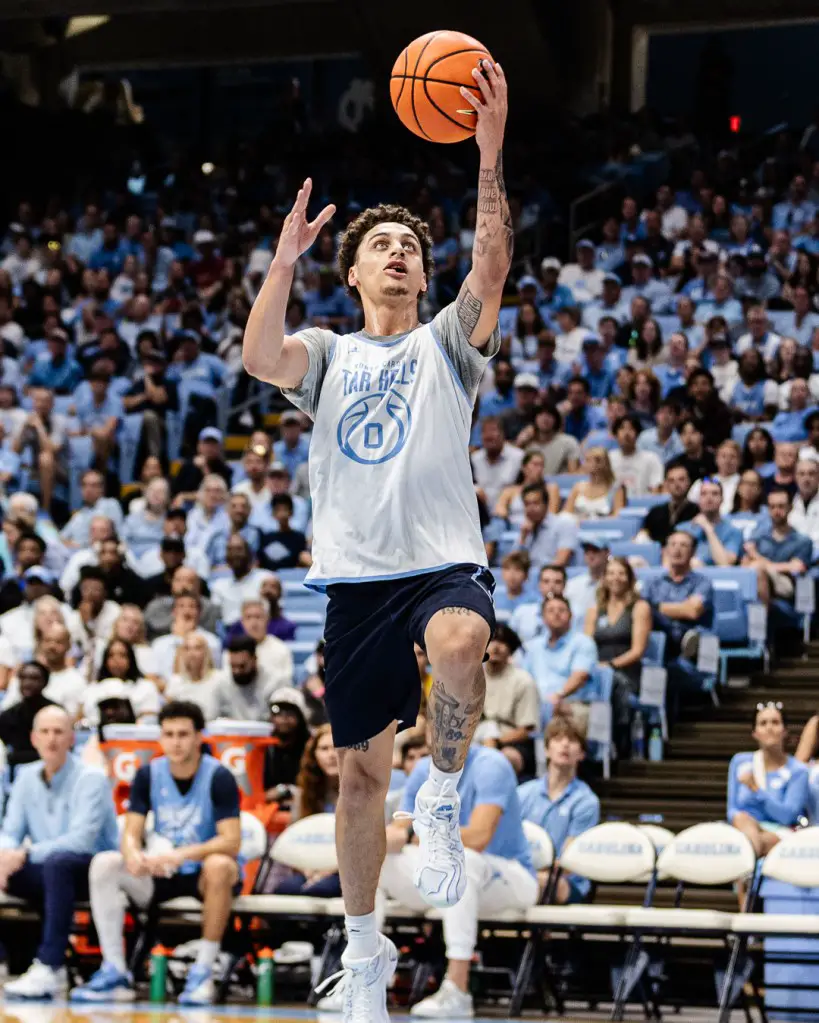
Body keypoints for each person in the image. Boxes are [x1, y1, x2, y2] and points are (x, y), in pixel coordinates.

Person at [243, 63, 510, 1021]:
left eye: (408, 247)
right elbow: (259, 357)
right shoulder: (327, 352)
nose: (397, 253)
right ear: (352, 273)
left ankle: (440, 792)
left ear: (422, 275)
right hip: (355, 582)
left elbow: (490, 267)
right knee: (358, 777)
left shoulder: (448, 342)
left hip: (441, 562)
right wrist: (282, 261)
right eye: (380, 246)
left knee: (461, 640)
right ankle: (363, 953)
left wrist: (487, 152)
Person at [71, 701, 242, 1005]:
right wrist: (133, 855)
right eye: (169, 734)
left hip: (202, 875)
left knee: (219, 865)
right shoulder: (148, 774)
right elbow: (131, 833)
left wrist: (182, 855)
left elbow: (231, 841)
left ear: (199, 737)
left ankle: (203, 970)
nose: (176, 742)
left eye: (183, 734)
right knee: (105, 863)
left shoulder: (219, 776)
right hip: (161, 872)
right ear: (160, 737)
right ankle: (115, 971)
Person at [379, 744, 538, 1019]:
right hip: (445, 878)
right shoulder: (422, 769)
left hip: (510, 877)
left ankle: (457, 988)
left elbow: (479, 837)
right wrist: (384, 838)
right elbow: (401, 828)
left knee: (461, 859)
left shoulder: (492, 765)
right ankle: (364, 977)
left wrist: (413, 836)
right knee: (373, 863)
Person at [0, 706, 118, 999]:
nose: (51, 739)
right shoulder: (25, 776)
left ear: (71, 739)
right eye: (45, 732)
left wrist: (24, 853)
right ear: (33, 738)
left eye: (58, 732)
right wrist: (5, 856)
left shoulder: (91, 778)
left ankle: (50, 966)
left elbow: (81, 841)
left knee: (58, 864)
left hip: (94, 871)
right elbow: (10, 831)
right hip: (46, 867)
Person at [518, 716, 601, 903]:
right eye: (558, 739)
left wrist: (525, 873)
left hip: (567, 882)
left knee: (540, 883)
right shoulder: (522, 794)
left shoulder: (586, 801)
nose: (565, 744)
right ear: (546, 750)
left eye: (572, 740)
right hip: (525, 872)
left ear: (582, 754)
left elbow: (568, 862)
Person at [584, 558, 651, 759]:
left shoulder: (639, 607)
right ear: (604, 578)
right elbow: (586, 646)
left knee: (615, 683)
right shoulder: (594, 610)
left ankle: (617, 742)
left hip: (626, 672)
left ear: (629, 578)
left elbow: (637, 651)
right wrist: (596, 667)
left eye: (621, 573)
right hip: (597, 671)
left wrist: (610, 665)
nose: (616, 578)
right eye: (611, 573)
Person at [727, 702, 808, 867]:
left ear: (785, 731)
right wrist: (750, 824)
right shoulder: (740, 762)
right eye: (763, 723)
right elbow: (732, 810)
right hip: (744, 828)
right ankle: (749, 876)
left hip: (781, 833)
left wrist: (756, 789)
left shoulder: (798, 770)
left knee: (756, 841)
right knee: (742, 819)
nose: (769, 728)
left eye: (775, 722)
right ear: (755, 733)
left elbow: (787, 816)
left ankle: (745, 878)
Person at [274, 725, 341, 897]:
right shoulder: (303, 795)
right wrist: (307, 868)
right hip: (310, 868)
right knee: (284, 889)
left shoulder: (363, 792)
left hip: (348, 871)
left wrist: (329, 870)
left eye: (337, 747)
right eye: (324, 749)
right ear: (314, 755)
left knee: (321, 889)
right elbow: (294, 840)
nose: (331, 755)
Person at [521, 595, 598, 733]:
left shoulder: (583, 642)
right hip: (537, 705)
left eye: (561, 610)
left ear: (570, 615)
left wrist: (558, 696)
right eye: (550, 610)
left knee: (558, 710)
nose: (556, 613)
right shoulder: (534, 646)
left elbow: (580, 677)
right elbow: (524, 678)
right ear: (543, 617)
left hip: (571, 703)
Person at [479, 624, 539, 779]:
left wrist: (496, 741)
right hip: (478, 736)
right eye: (491, 641)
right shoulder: (471, 677)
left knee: (501, 759)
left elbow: (526, 730)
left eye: (503, 642)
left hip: (511, 741)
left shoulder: (523, 680)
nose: (496, 647)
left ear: (510, 650)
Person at [743, 489, 813, 608]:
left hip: (785, 583)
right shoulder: (759, 537)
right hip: (759, 579)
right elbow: (745, 563)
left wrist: (758, 558)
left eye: (781, 506)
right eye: (772, 507)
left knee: (757, 568)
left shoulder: (802, 541)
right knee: (752, 570)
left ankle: (758, 619)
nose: (776, 511)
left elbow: (796, 567)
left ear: (790, 508)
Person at [83, 638, 160, 725]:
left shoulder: (146, 687)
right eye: (111, 655)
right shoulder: (93, 688)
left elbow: (150, 718)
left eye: (122, 655)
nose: (116, 660)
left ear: (130, 659)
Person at [0, 662, 56, 775]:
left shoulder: (56, 714)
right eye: (23, 678)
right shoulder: (8, 716)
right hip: (15, 773)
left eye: (34, 678)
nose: (27, 683)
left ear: (45, 682)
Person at [210, 534, 275, 627]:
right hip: (230, 632)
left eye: (239, 549)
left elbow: (276, 613)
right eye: (230, 550)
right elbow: (214, 619)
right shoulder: (219, 586)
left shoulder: (265, 578)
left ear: (249, 554)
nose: (234, 554)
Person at [679, 478, 745, 567]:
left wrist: (707, 528)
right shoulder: (682, 529)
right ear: (698, 499)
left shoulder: (733, 531)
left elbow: (725, 564)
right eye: (704, 494)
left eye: (714, 493)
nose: (709, 498)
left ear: (722, 499)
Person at [263, 687, 312, 802]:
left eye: (290, 713)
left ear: (300, 717)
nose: (283, 718)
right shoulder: (262, 745)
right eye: (277, 712)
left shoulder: (310, 745)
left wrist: (287, 790)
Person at [237, 597, 294, 688]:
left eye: (258, 617)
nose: (253, 623)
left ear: (267, 619)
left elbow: (286, 685)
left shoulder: (281, 650)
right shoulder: (233, 650)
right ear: (242, 622)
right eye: (248, 617)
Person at [518, 482, 579, 567]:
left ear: (546, 504)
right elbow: (514, 563)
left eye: (536, 503)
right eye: (527, 504)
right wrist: (523, 537)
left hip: (553, 574)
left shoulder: (564, 524)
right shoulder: (525, 528)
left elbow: (561, 561)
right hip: (530, 574)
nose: (531, 508)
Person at [636, 463, 698, 546]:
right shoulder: (654, 512)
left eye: (681, 479)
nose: (677, 484)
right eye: (671, 480)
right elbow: (644, 537)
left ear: (689, 482)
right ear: (666, 484)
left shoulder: (697, 511)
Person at [471, 417, 525, 510]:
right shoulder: (474, 459)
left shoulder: (519, 457)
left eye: (493, 430)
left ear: (503, 434)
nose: (488, 436)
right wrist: (475, 489)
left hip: (509, 510)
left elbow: (527, 485)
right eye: (484, 431)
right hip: (480, 512)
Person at [609, 414, 663, 497]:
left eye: (631, 429)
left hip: (643, 504)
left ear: (637, 434)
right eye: (622, 428)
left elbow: (656, 489)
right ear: (615, 434)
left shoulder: (651, 458)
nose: (626, 433)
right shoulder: (608, 458)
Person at [510, 563, 566, 643]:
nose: (552, 586)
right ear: (539, 585)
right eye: (546, 581)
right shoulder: (521, 612)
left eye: (557, 582)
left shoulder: (575, 613)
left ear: (564, 585)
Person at [565, 447, 625, 519]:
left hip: (603, 525)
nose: (583, 464)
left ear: (600, 464)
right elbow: (566, 514)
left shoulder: (616, 490)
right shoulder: (577, 487)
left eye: (587, 460)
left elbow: (617, 517)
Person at [565, 539, 609, 623]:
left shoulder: (617, 584)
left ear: (607, 553)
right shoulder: (572, 585)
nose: (590, 555)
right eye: (587, 551)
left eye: (595, 551)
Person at [667, 419, 717, 483]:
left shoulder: (714, 461)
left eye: (693, 432)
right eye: (684, 433)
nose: (688, 437)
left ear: (701, 435)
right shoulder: (676, 464)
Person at [789, 457, 819, 543]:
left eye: (811, 474)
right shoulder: (789, 504)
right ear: (795, 477)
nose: (806, 479)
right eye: (802, 474)